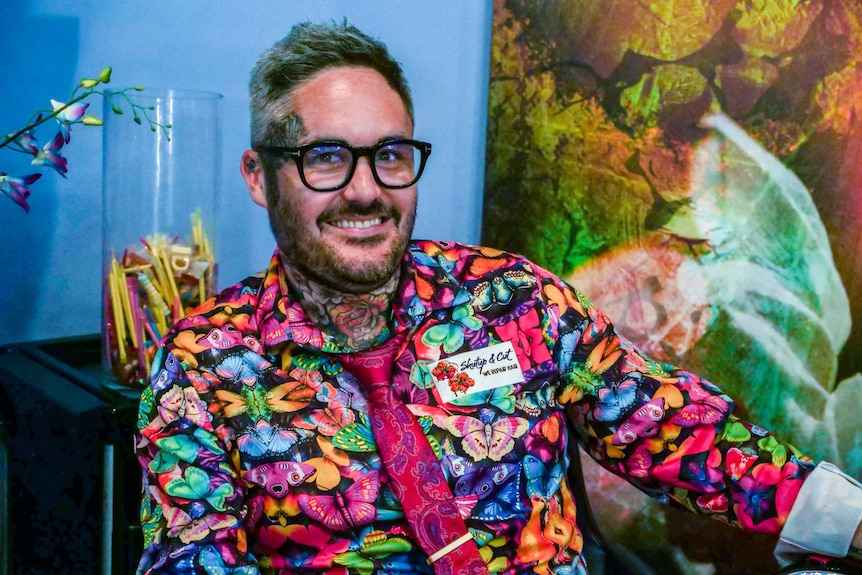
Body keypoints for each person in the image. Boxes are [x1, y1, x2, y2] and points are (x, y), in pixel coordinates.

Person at [134, 19, 862, 575]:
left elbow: (681, 435)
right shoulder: (202, 367)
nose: (366, 190)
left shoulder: (513, 301)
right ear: (259, 176)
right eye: (326, 157)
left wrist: (854, 518)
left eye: (390, 155)